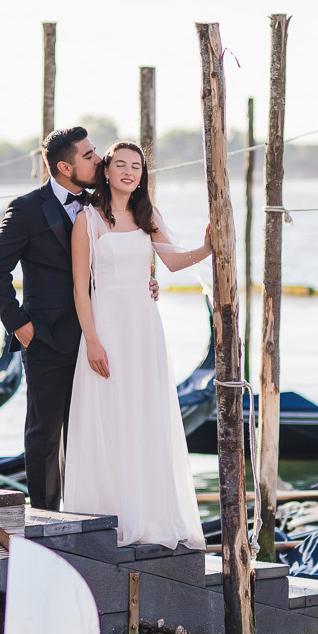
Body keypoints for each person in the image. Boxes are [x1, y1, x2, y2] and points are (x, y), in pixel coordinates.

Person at [61, 141, 212, 548]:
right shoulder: (87, 220)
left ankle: (149, 513)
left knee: (145, 414)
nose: (130, 172)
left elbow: (174, 261)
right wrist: (92, 340)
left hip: (144, 327)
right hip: (106, 325)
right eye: (122, 165)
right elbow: (80, 286)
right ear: (106, 171)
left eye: (137, 166)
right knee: (110, 414)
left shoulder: (149, 216)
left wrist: (208, 247)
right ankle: (111, 511)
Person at [0, 126, 101, 511]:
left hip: (97, 336)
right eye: (88, 156)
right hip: (47, 337)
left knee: (91, 431)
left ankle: (88, 513)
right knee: (45, 434)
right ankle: (46, 517)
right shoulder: (28, 208)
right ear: (65, 167)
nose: (97, 160)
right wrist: (18, 324)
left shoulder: (103, 205)